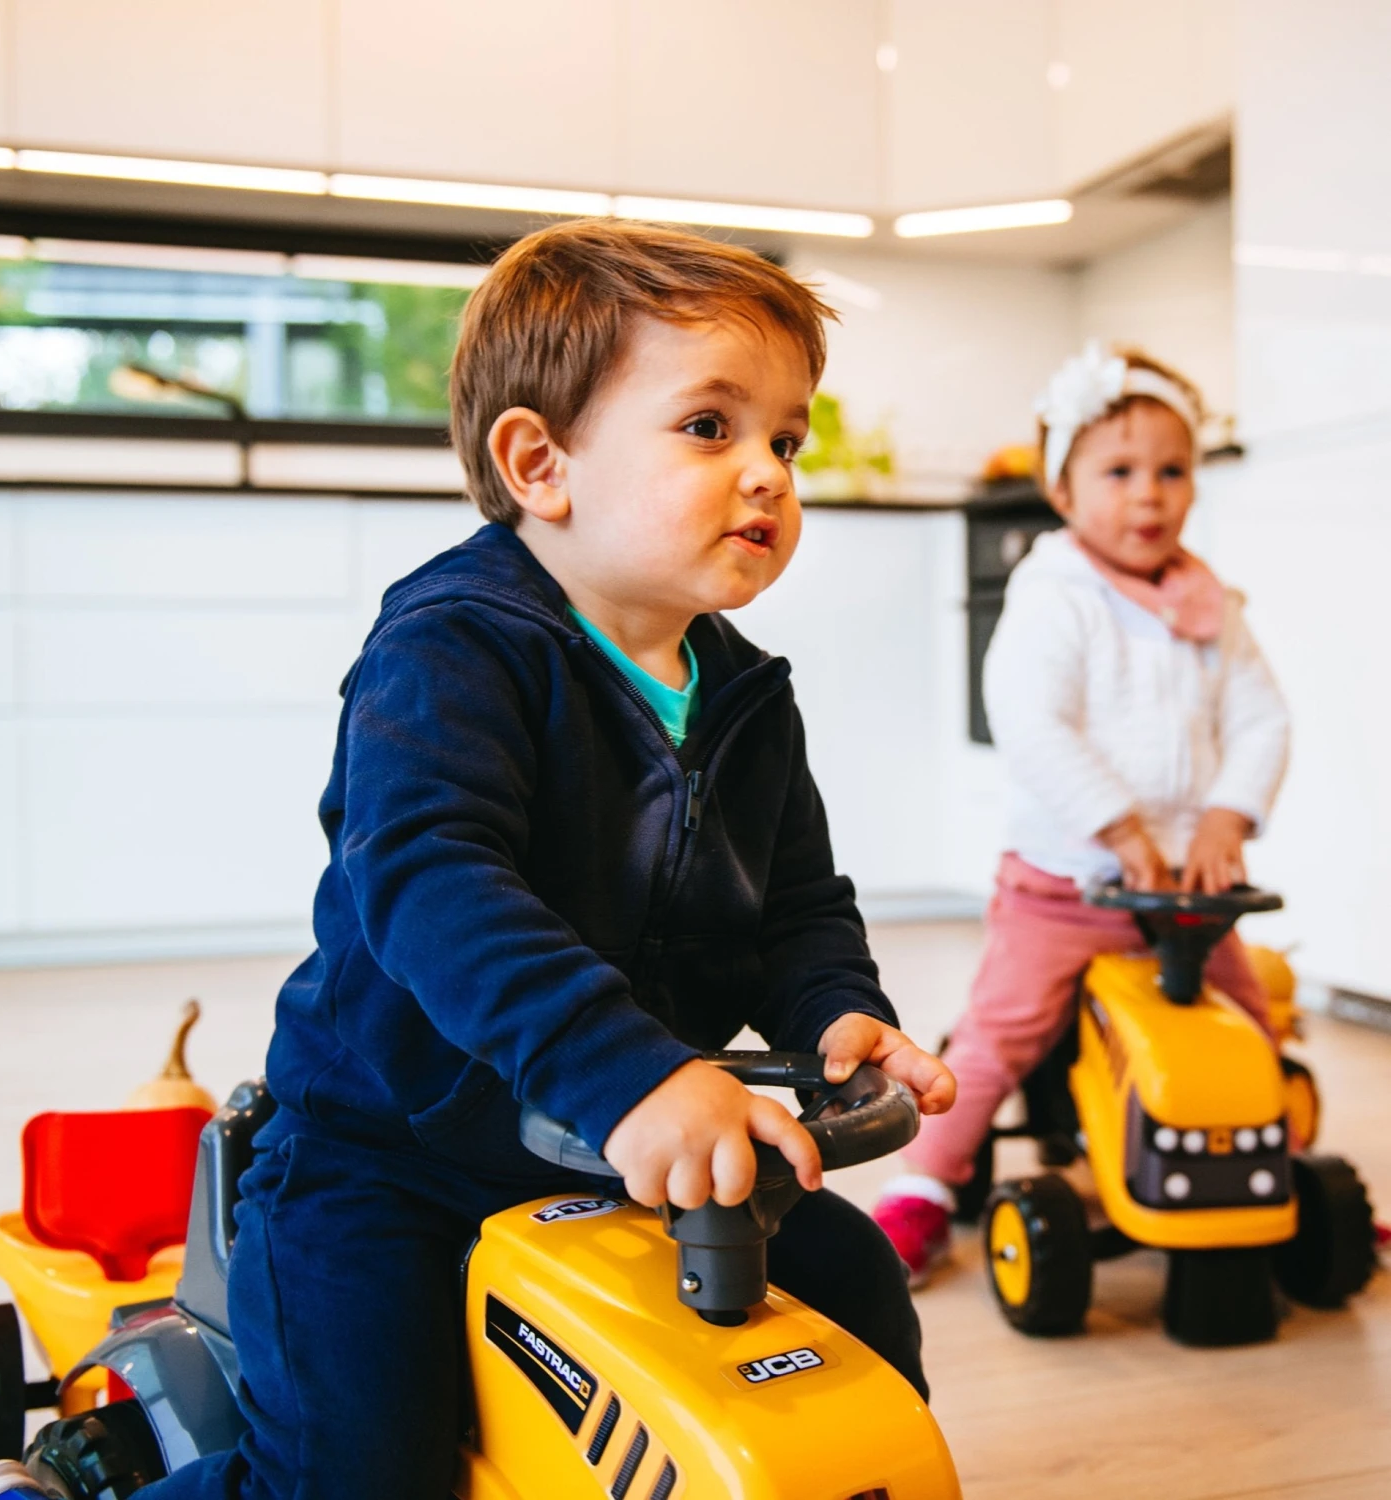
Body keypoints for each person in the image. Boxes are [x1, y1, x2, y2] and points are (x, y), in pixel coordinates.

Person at [104, 220, 952, 1500]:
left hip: (623, 1148)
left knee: (851, 1285)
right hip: (389, 1156)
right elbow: (432, 882)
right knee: (355, 1470)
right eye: (711, 428)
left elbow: (795, 905)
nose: (771, 473)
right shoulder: (452, 650)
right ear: (540, 462)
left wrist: (837, 1009)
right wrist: (627, 1076)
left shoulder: (746, 696)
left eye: (788, 438)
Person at [873, 341, 1291, 1285]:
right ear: (1063, 491)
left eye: (1172, 472)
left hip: (1188, 893)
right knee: (1001, 1033)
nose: (1149, 495)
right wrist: (1122, 829)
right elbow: (1032, 721)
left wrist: (1228, 816)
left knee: (1248, 1022)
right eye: (1119, 472)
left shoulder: (1210, 603)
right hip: (1064, 884)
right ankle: (926, 1188)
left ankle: (1279, 1170)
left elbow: (1264, 718)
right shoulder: (1053, 592)